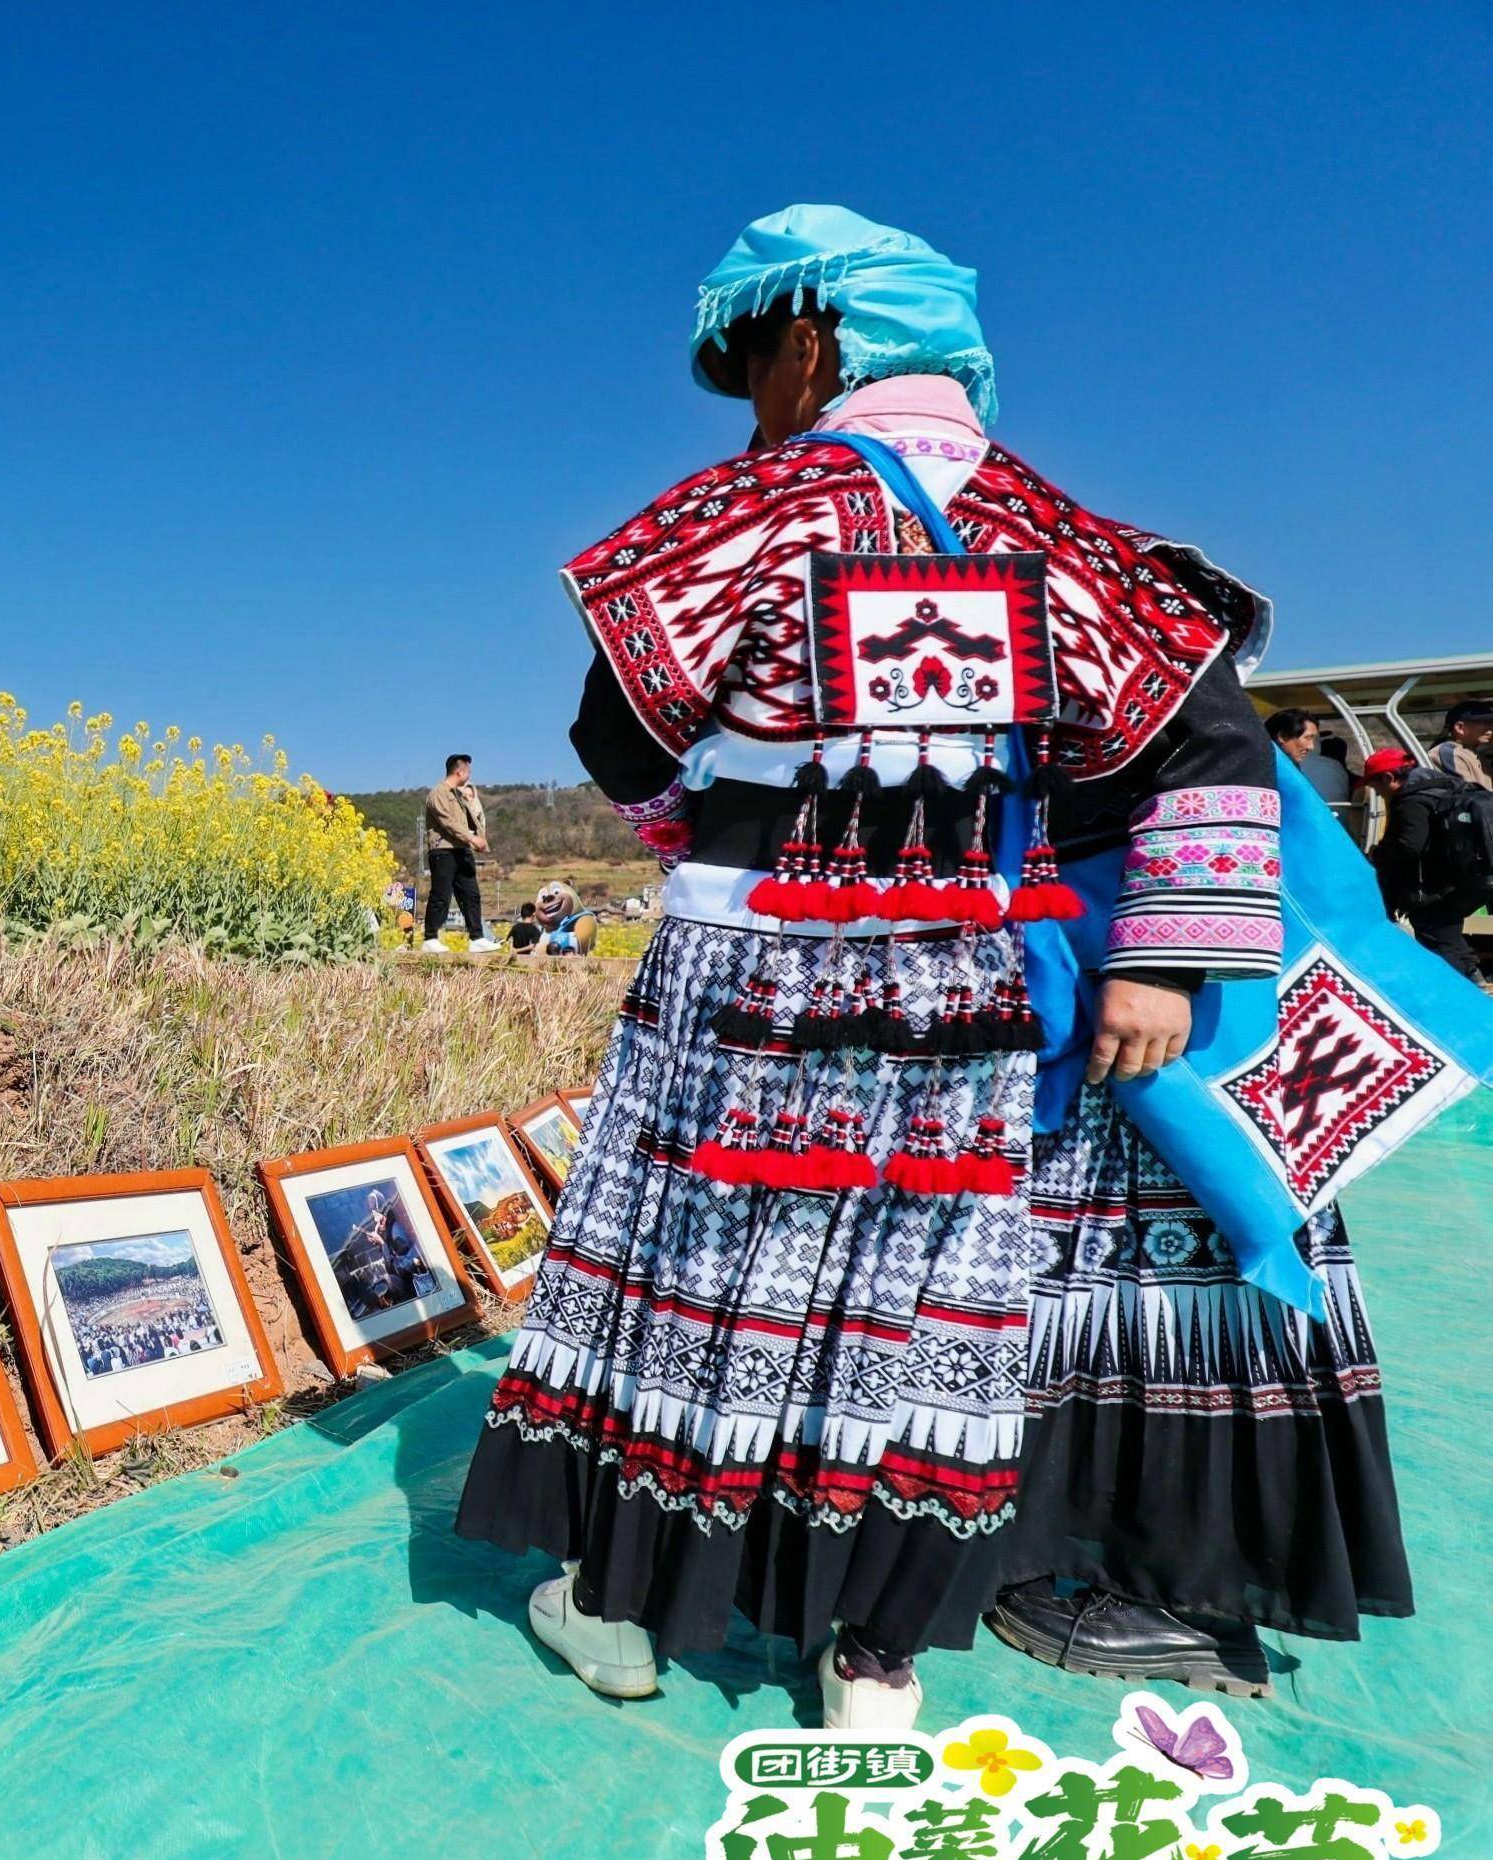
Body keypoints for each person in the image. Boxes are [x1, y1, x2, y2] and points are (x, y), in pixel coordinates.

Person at [457, 204, 1403, 1729]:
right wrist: (1155, 963)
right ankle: (869, 1663)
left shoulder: (740, 512)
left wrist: (701, 823)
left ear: (813, 339)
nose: (755, 398)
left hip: (745, 971)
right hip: (957, 985)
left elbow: (615, 730)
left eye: (756, 359)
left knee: (689, 1281)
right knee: (915, 1309)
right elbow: (1206, 747)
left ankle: (621, 1606)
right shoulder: (1071, 535)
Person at [1360, 746, 1489, 980]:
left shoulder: (1411, 801)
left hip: (1434, 886)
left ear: (1388, 778)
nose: (1378, 793)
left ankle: (1463, 993)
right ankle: (1474, 982)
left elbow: (1409, 845)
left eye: (1376, 785)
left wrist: (1375, 857)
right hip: (1467, 878)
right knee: (1446, 933)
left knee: (1438, 937)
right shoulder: (1446, 788)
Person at [421, 755, 498, 952]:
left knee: (471, 894)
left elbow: (474, 819)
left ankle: (476, 937)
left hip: (462, 850)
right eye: (468, 771)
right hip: (443, 850)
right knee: (441, 894)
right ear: (460, 771)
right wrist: (472, 839)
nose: (470, 775)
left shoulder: (459, 794)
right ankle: (430, 938)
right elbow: (448, 822)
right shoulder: (438, 793)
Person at [1429, 698, 1493, 792]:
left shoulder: (1477, 756)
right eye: (1484, 722)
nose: (1490, 728)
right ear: (1460, 728)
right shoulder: (1449, 753)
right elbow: (1469, 796)